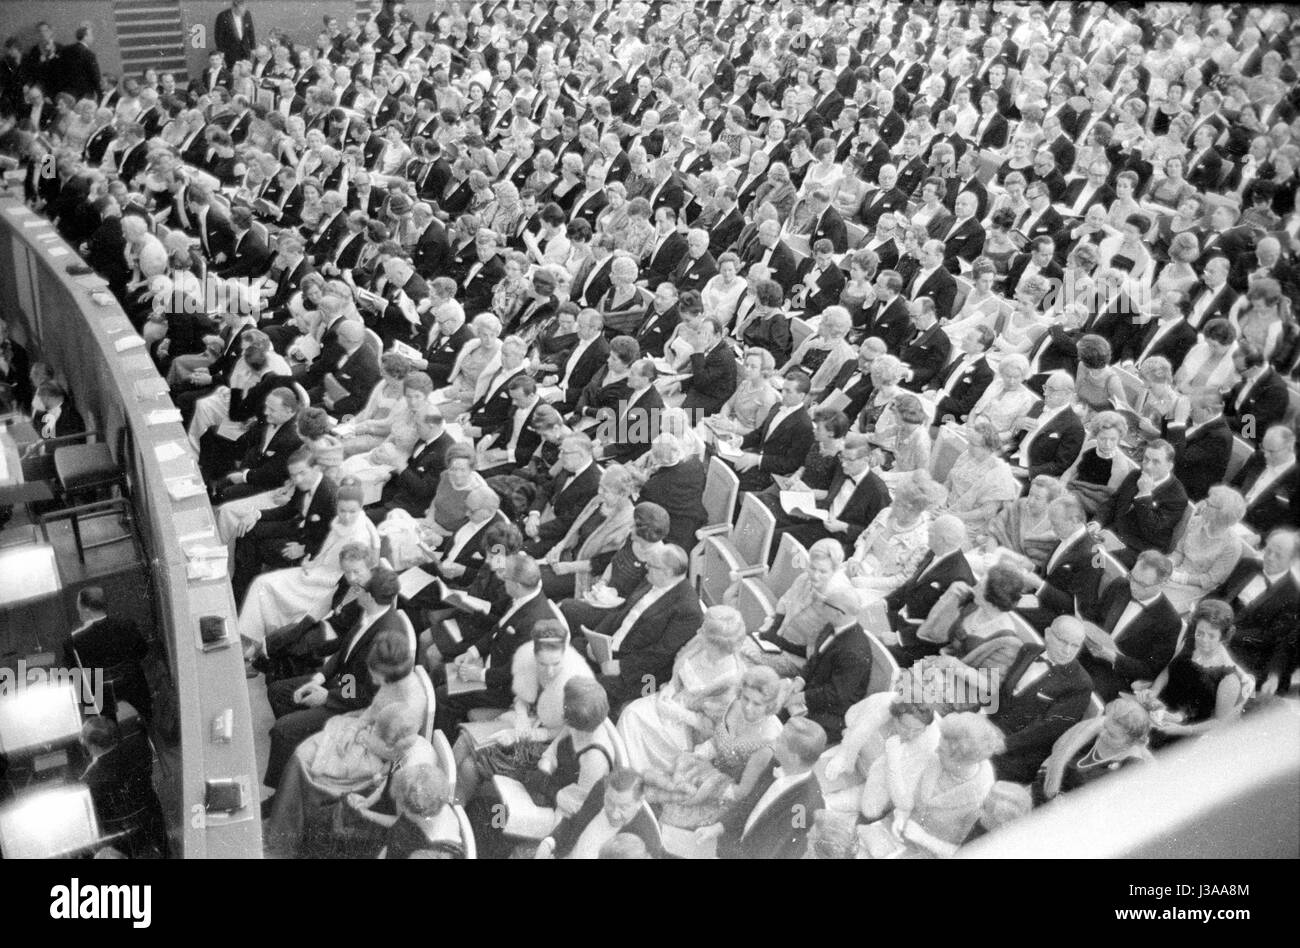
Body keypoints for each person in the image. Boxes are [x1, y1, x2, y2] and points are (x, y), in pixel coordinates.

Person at [263, 568, 408, 790]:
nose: (355, 591)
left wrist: (327, 697)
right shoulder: (371, 612)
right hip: (344, 682)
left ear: (369, 596)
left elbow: (367, 695)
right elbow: (344, 652)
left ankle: (282, 787)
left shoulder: (386, 635)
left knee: (283, 729)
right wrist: (320, 678)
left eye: (359, 589)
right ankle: (298, 747)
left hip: (352, 703)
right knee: (277, 691)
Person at [643, 665, 788, 830]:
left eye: (757, 704)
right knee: (656, 789)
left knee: (671, 815)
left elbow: (741, 793)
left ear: (770, 706)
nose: (748, 707)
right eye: (746, 698)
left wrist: (706, 786)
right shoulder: (735, 705)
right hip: (708, 770)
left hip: (727, 795)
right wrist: (699, 755)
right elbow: (717, 741)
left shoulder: (767, 740)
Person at [239, 482, 380, 644]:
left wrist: (310, 571)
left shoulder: (360, 538)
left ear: (361, 508)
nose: (347, 516)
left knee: (264, 584)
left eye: (352, 511)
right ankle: (255, 637)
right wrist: (312, 563)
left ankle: (256, 640)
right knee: (262, 583)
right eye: (342, 511)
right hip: (316, 572)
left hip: (327, 586)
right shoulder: (340, 523)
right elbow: (325, 553)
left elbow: (346, 577)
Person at [618, 605, 749, 773]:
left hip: (688, 729)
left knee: (636, 721)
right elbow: (680, 664)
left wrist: (679, 714)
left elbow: (715, 730)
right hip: (669, 701)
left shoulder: (731, 682)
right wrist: (671, 688)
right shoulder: (700, 641)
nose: (698, 633)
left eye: (704, 633)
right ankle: (623, 771)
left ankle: (635, 775)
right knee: (631, 713)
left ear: (718, 645)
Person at [861, 712, 1003, 860]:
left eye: (941, 751)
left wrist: (924, 839)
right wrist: (901, 814)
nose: (935, 750)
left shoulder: (984, 799)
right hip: (896, 836)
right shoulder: (937, 759)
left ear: (961, 763)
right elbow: (909, 795)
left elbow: (967, 853)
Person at [694, 717, 827, 860]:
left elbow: (773, 850)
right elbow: (750, 801)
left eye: (780, 741)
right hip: (732, 846)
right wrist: (719, 827)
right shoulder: (776, 763)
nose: (773, 742)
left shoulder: (804, 805)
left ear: (794, 758)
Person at [988, 616, 1094, 783]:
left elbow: (1048, 730)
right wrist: (985, 716)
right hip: (993, 727)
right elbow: (1005, 692)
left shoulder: (1080, 684)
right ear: (1048, 634)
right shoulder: (1029, 651)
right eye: (1063, 641)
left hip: (1019, 754)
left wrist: (1005, 744)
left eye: (1075, 645)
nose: (1067, 651)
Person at [1139, 599, 1249, 746]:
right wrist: (1153, 691)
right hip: (1158, 710)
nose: (1203, 640)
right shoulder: (1189, 643)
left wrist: (1182, 730)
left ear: (1223, 637)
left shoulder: (1228, 679)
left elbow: (1218, 722)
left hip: (1183, 732)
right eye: (1200, 633)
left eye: (1211, 636)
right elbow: (1169, 670)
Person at [820, 690, 942, 820]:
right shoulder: (882, 704)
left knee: (825, 804)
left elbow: (900, 798)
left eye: (917, 730)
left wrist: (892, 758)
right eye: (905, 727)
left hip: (885, 783)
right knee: (818, 778)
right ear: (894, 717)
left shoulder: (929, 743)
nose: (910, 735)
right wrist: (844, 756)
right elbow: (856, 728)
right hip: (863, 757)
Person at [1035, 695, 1156, 805]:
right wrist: (1052, 792)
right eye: (1105, 727)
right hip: (1046, 786)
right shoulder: (1102, 724)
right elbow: (1058, 748)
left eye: (1112, 735)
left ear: (1130, 742)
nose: (1103, 735)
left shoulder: (1132, 767)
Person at [846, 472, 947, 596]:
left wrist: (867, 583)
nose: (891, 505)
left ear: (909, 510)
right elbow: (864, 538)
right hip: (857, 569)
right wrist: (855, 560)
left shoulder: (923, 540)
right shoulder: (886, 513)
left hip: (879, 588)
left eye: (896, 503)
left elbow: (903, 578)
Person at [1092, 440, 1190, 566]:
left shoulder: (1177, 497)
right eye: (1146, 459)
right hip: (1113, 532)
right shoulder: (1136, 475)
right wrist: (1098, 521)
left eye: (1156, 462)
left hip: (1140, 549)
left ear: (1169, 466)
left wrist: (1144, 494)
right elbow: (1113, 502)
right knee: (1080, 541)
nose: (1148, 466)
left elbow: (1151, 529)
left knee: (1093, 557)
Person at [536, 768, 664, 859]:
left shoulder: (648, 841)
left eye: (623, 807)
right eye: (609, 802)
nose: (614, 814)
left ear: (639, 802)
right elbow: (576, 823)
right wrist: (548, 843)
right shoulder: (601, 789)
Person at [1162, 487, 1249, 613]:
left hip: (1195, 588)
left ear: (1221, 514)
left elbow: (1211, 580)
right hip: (1176, 571)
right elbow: (1179, 552)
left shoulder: (1232, 546)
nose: (1203, 504)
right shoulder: (1196, 522)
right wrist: (1169, 563)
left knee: (1161, 608)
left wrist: (1179, 578)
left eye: (1209, 503)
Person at [942, 419, 1019, 542]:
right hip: (947, 508)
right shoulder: (967, 455)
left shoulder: (999, 472)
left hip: (968, 523)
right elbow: (948, 483)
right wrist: (940, 502)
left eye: (974, 444)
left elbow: (986, 512)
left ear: (988, 447)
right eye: (969, 442)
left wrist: (953, 516)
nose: (968, 446)